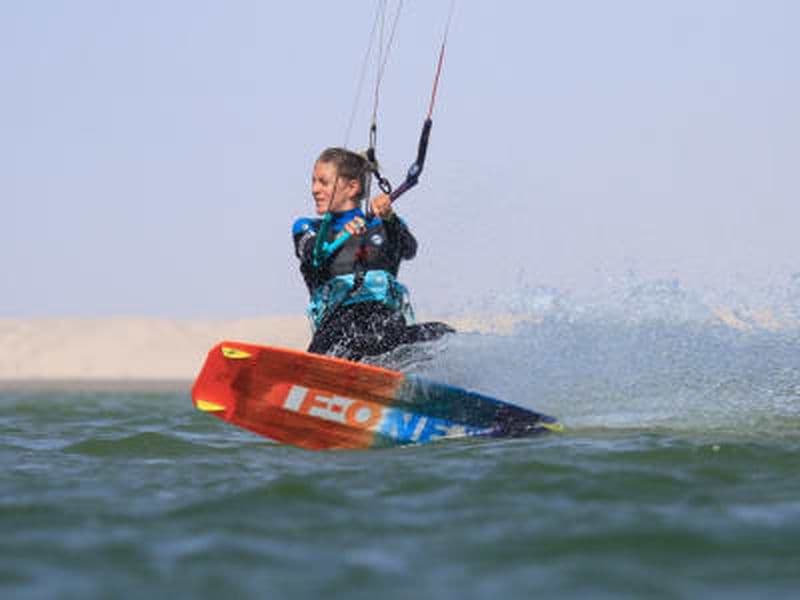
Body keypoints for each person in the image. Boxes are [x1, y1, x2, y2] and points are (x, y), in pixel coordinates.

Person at [292, 147, 453, 361]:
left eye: (323, 182)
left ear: (352, 187)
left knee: (444, 335)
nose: (314, 189)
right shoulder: (308, 227)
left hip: (384, 326)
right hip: (337, 332)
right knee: (349, 332)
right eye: (313, 181)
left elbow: (409, 249)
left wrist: (390, 218)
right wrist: (340, 235)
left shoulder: (384, 225)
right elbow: (313, 254)